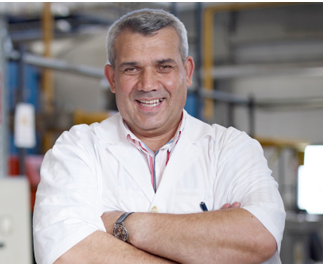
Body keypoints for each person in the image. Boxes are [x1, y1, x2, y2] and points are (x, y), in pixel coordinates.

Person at [33, 8, 285, 264]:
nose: (148, 84)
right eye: (132, 69)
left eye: (164, 67)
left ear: (187, 72)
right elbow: (67, 253)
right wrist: (209, 242)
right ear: (111, 78)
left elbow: (259, 236)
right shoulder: (76, 149)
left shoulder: (232, 149)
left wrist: (123, 224)